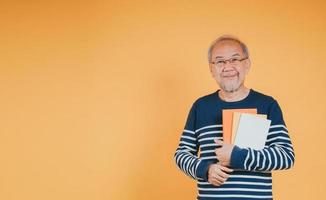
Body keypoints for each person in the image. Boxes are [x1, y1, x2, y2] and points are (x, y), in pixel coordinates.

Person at [174, 35, 295, 200]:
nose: (227, 67)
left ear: (247, 64)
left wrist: (237, 156)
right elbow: (182, 154)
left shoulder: (267, 105)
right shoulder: (200, 107)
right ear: (211, 69)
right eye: (220, 61)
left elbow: (286, 156)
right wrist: (206, 169)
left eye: (235, 59)